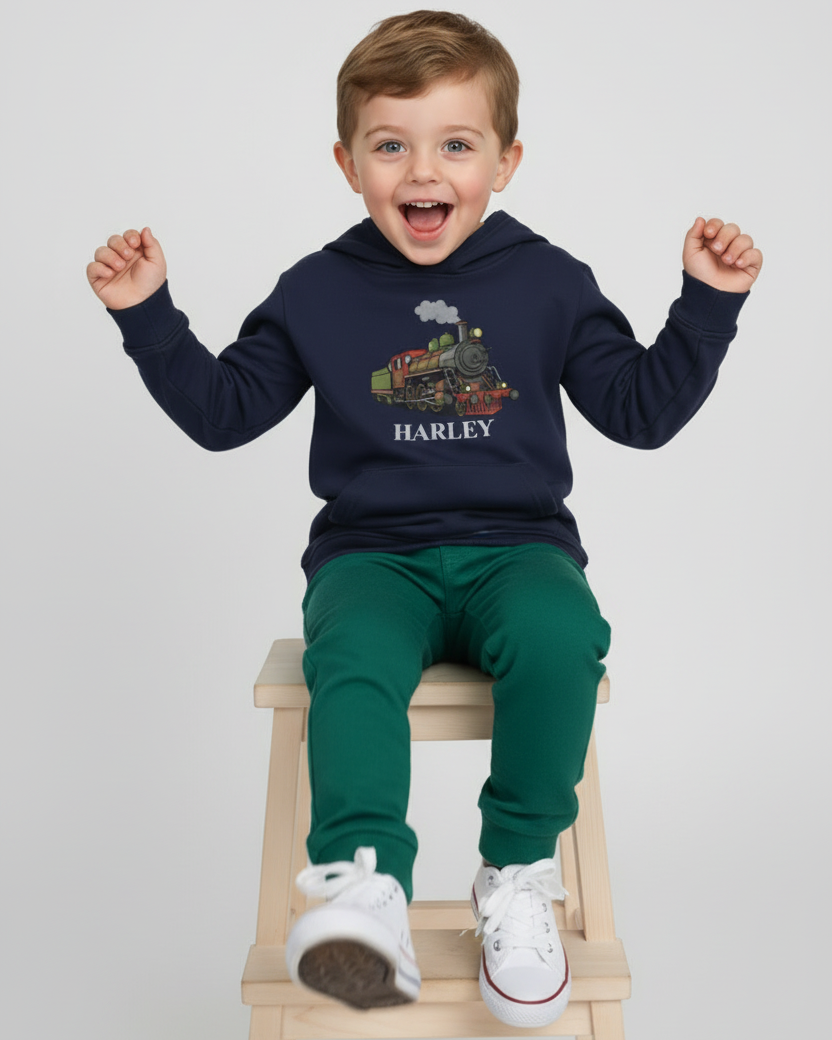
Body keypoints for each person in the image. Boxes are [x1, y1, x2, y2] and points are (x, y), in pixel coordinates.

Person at [86, 9, 762, 1029]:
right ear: (347, 161)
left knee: (560, 632)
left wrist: (705, 305)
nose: (421, 172)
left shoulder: (549, 280)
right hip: (373, 556)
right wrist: (150, 314)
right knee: (349, 661)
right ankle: (364, 888)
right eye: (389, 145)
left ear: (506, 158)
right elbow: (226, 414)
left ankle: (519, 875)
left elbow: (639, 410)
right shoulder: (316, 288)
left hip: (519, 547)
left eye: (455, 144)